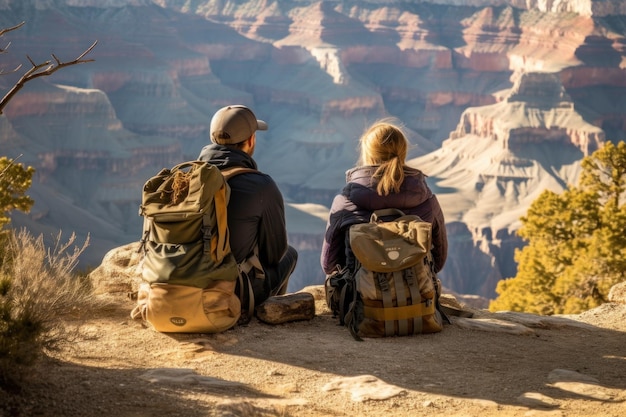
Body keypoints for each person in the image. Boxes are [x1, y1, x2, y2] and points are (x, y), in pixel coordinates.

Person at [198, 105, 298, 307]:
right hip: (230, 291)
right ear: (251, 140)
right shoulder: (261, 186)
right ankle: (266, 310)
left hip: (184, 282)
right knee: (290, 254)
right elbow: (275, 254)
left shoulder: (186, 178)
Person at [321, 118, 447, 275]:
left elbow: (329, 265)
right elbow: (438, 261)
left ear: (368, 154)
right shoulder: (426, 200)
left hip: (359, 297)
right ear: (403, 152)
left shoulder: (345, 201)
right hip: (415, 294)